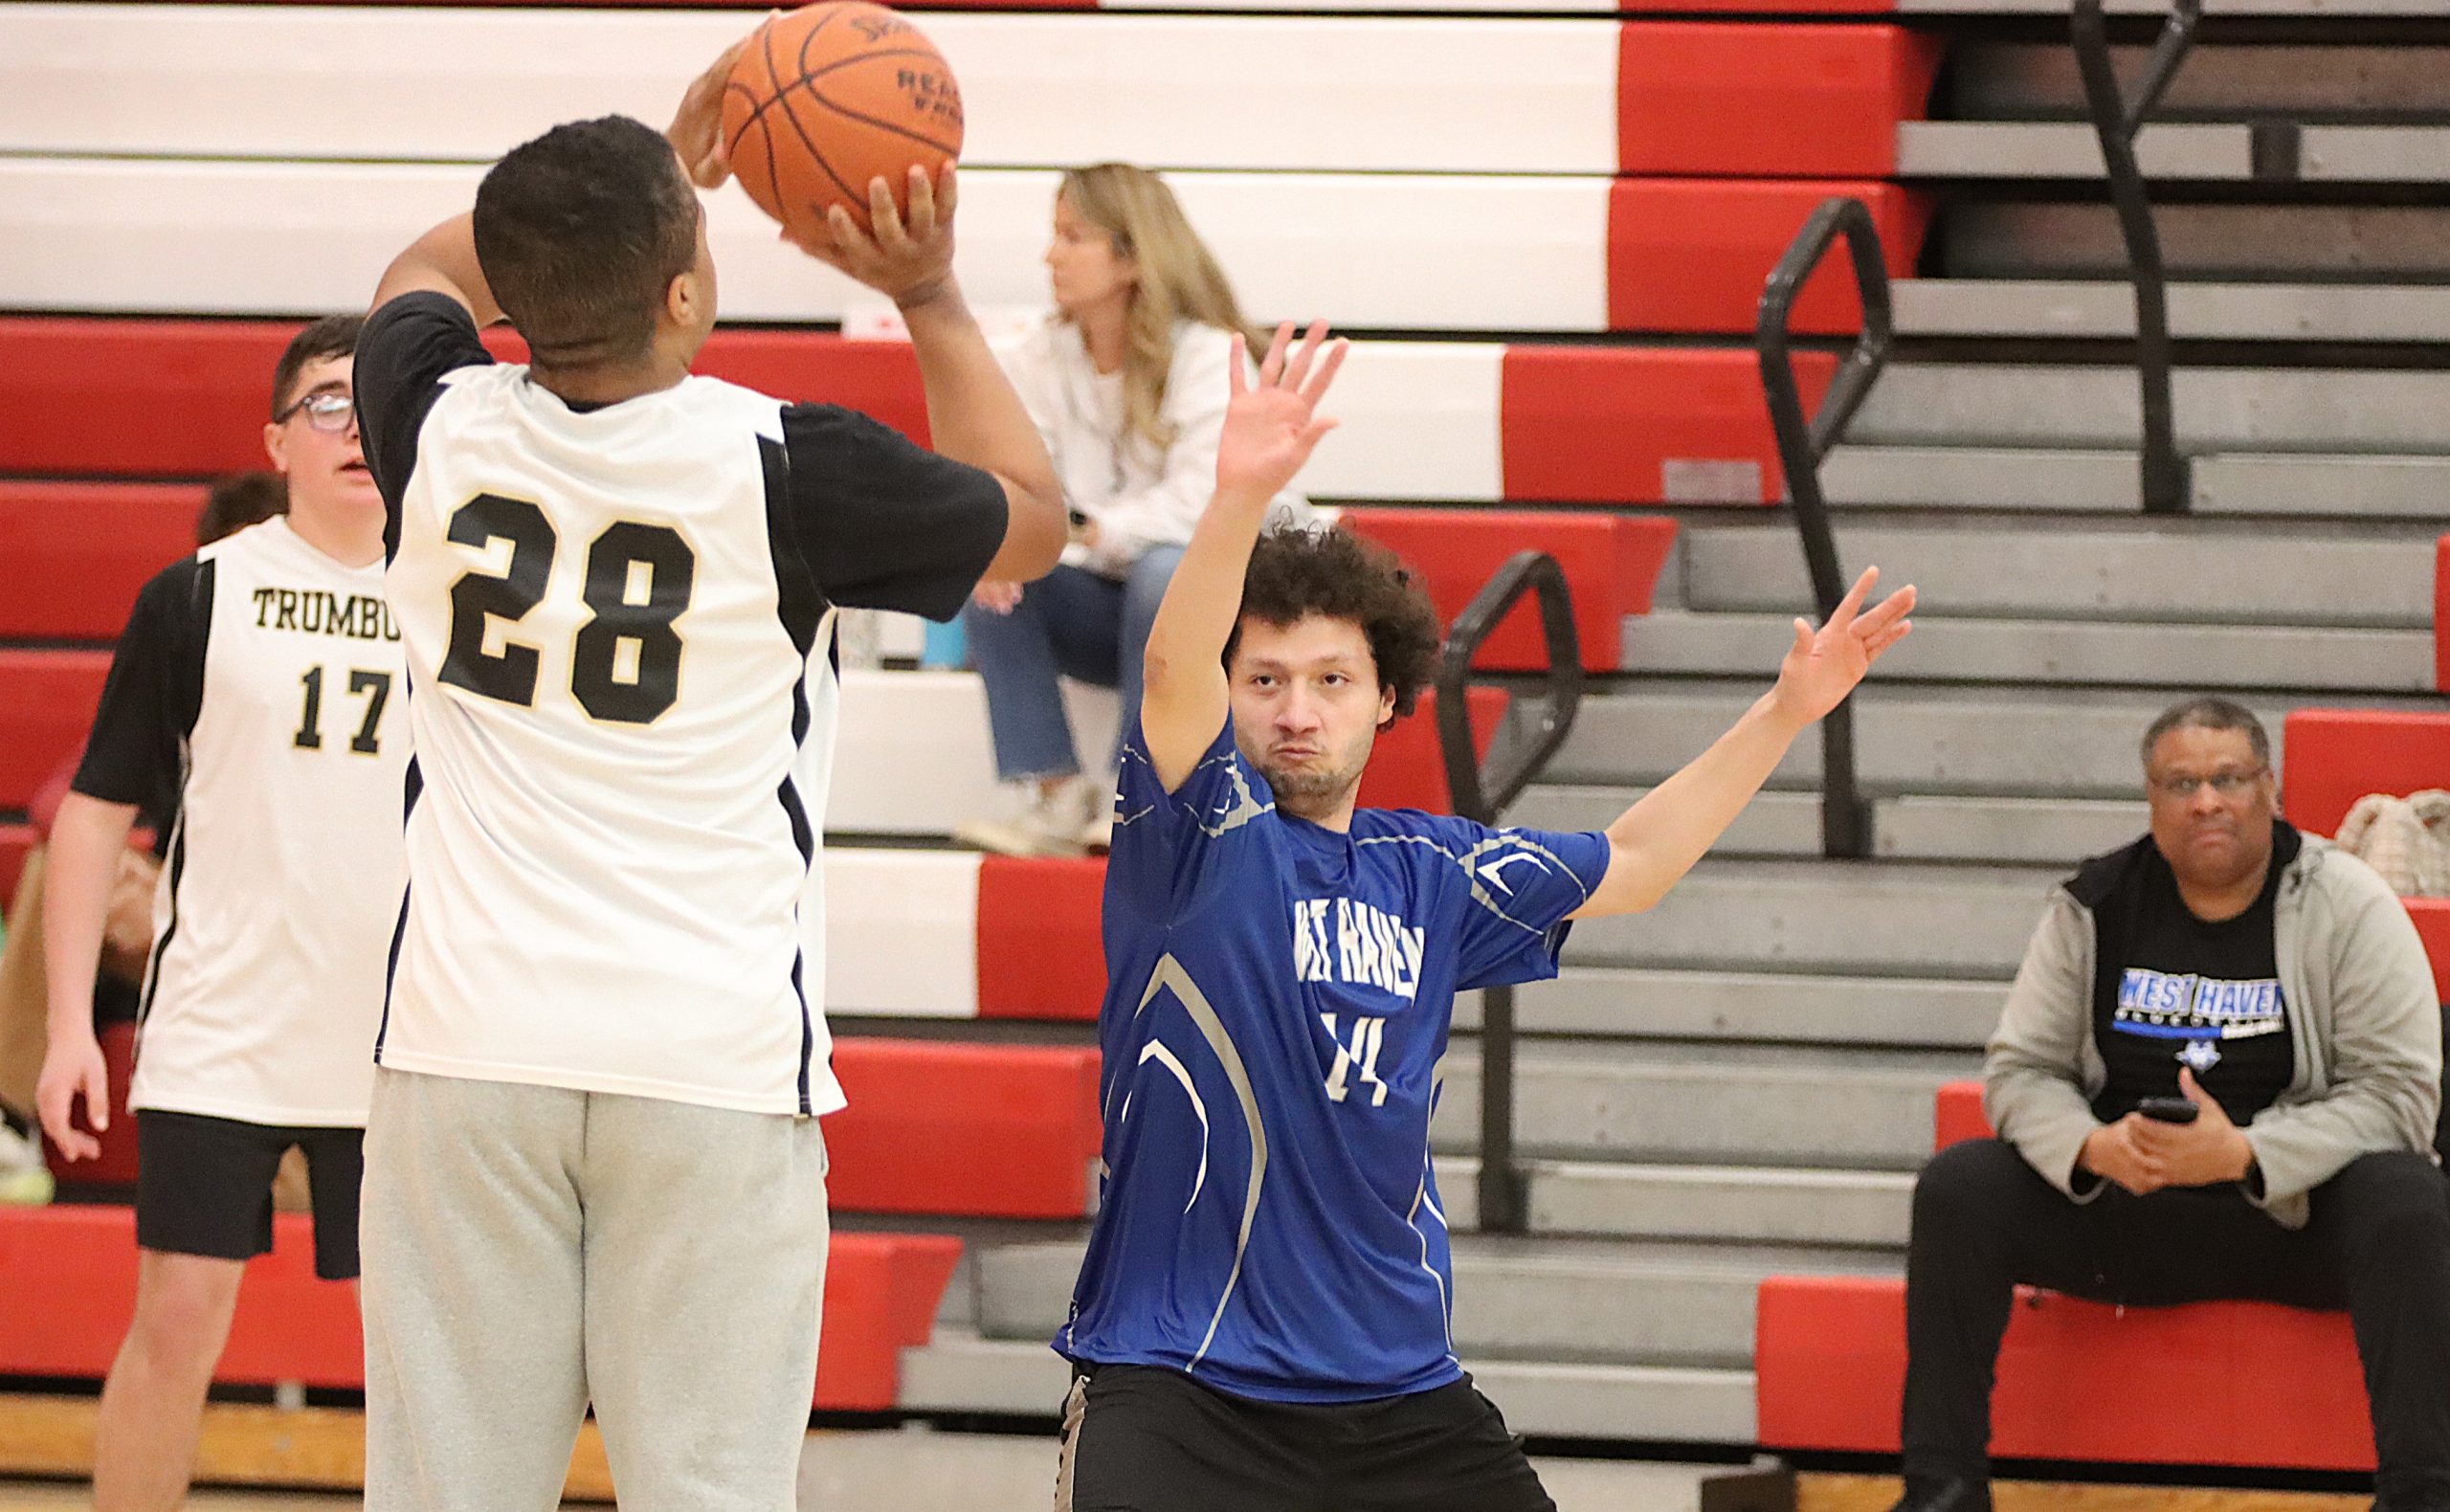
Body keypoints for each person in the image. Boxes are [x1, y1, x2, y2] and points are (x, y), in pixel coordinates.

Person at [348, 33, 1065, 1509]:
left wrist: (652, 168)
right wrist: (928, 292)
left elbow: (424, 265)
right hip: (707, 1058)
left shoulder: (427, 419)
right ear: (685, 292)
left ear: (516, 297)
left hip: (467, 1051)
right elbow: (1035, 523)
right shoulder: (796, 464)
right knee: (712, 1491)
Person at [1052, 322, 1914, 1512]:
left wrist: (1780, 713)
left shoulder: (1434, 871)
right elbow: (1166, 672)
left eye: (1331, 680)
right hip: (1180, 1383)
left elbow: (1638, 861)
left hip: (1400, 1394)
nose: (1296, 710)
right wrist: (1239, 490)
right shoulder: (1190, 835)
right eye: (1264, 680)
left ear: (1386, 699)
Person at [1895, 697, 2450, 1512]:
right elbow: (2020, 1072)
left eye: (2230, 778)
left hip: (2294, 1218)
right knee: (1960, 1188)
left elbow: (2398, 1095)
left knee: (2408, 1198)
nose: (2207, 801)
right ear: (2151, 799)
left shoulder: (2349, 903)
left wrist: (2248, 1152)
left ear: (2271, 789)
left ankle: (2421, 1494)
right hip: (2132, 1208)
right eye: (2182, 783)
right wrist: (2093, 1147)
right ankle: (1941, 1488)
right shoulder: (2094, 904)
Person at [32, 317, 407, 1511]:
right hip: (222, 1027)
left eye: (376, 402)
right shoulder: (198, 593)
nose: (355, 428)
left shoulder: (466, 596)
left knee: (424, 1355)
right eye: (326, 404)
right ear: (277, 442)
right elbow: (93, 812)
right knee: (177, 1321)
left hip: (406, 1039)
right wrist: (68, 1027)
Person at [957, 164, 1303, 859]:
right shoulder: (1038, 357)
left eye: (1072, 237)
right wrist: (1012, 544)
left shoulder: (1209, 355)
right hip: (1109, 608)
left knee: (1165, 569)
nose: (1050, 256)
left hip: (1220, 618)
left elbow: (1204, 510)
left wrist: (1083, 529)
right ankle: (1055, 796)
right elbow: (1024, 485)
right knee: (991, 570)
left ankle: (1136, 796)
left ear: (1132, 256)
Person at [0, 469, 292, 1208]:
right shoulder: (185, 652)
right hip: (189, 917)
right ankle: (8, 1114)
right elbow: (62, 807)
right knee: (60, 864)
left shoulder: (343, 668)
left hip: (297, 929)